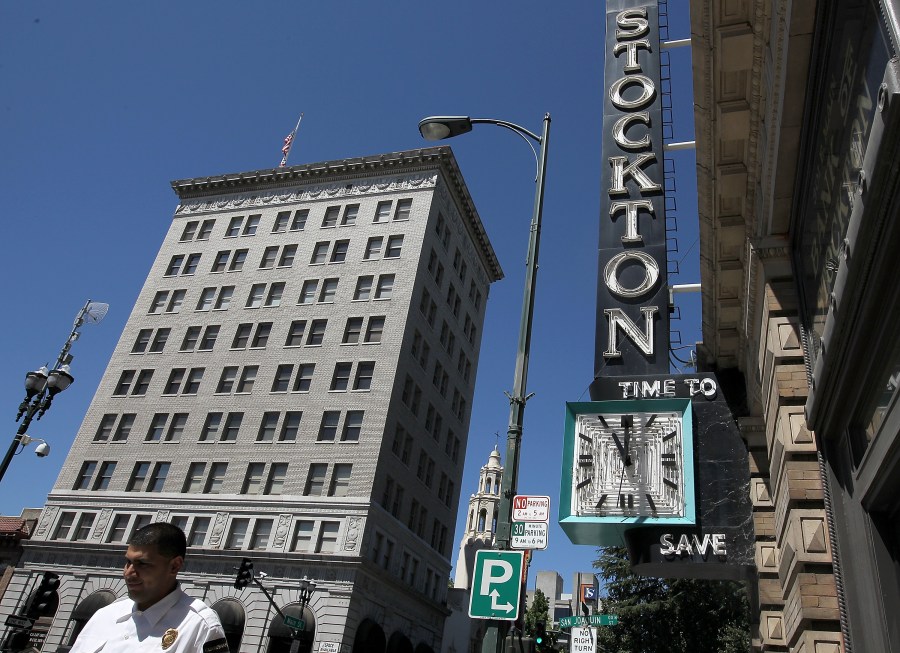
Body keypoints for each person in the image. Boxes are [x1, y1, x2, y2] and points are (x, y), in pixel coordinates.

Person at [70, 522, 228, 653]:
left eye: (142, 564)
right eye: (128, 562)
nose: (129, 573)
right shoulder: (104, 616)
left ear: (174, 566)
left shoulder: (201, 626)